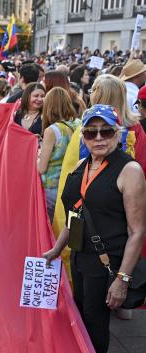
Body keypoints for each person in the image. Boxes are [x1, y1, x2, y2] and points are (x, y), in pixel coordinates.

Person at [43, 104, 146, 353]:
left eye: (106, 131)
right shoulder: (81, 165)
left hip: (107, 262)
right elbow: (75, 214)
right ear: (83, 136)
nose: (98, 138)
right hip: (80, 257)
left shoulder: (129, 170)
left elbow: (137, 232)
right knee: (81, 316)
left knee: (94, 323)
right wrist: (57, 248)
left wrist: (122, 279)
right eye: (91, 132)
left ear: (118, 133)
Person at [38, 87, 80, 218]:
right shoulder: (78, 123)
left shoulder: (52, 130)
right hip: (73, 184)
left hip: (52, 188)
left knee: (51, 230)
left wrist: (34, 156)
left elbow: (41, 167)